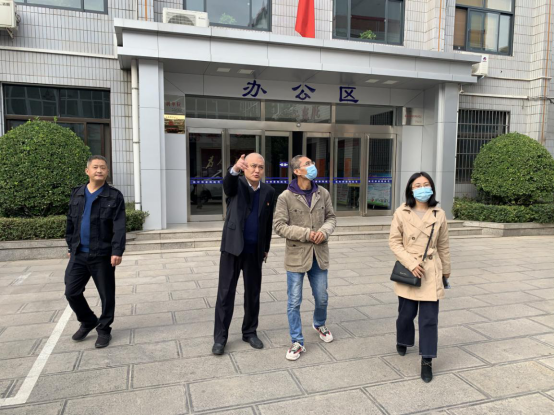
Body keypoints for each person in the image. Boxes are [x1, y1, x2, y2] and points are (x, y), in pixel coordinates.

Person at [389, 172, 451, 383]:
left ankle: (427, 360)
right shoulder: (401, 212)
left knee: (429, 319)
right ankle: (403, 339)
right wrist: (411, 263)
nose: (422, 188)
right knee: (406, 315)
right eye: (417, 185)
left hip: (430, 270)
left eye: (426, 184)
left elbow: (443, 244)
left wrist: (446, 270)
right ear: (411, 189)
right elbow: (394, 242)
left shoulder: (439, 214)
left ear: (431, 188)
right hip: (409, 269)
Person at [274, 155, 336, 361]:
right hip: (296, 256)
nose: (312, 166)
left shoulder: (322, 193)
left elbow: (331, 218)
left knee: (322, 297)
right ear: (297, 171)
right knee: (294, 301)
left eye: (312, 163)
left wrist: (324, 232)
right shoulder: (285, 197)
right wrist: (307, 234)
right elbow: (279, 226)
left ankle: (319, 323)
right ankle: (297, 341)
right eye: (307, 164)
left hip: (319, 254)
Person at [212, 153, 275, 355]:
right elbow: (228, 185)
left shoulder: (268, 191)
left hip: (254, 251)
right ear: (245, 167)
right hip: (232, 248)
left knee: (253, 293)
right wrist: (234, 170)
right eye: (253, 166)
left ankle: (249, 332)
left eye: (261, 167)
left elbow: (267, 222)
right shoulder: (236, 184)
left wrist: (266, 247)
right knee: (225, 294)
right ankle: (220, 338)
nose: (257, 170)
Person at [64, 155, 126, 349]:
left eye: (103, 168)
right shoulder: (77, 193)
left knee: (106, 294)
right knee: (71, 291)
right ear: (87, 171)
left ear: (107, 172)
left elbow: (119, 226)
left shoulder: (114, 196)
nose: (99, 170)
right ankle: (88, 320)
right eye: (96, 167)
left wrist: (117, 251)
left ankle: (104, 329)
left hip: (102, 254)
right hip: (79, 253)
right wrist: (70, 246)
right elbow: (70, 222)